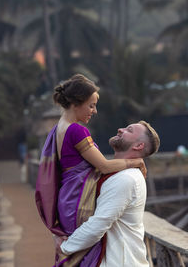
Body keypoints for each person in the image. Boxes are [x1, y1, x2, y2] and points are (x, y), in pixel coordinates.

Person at [35, 74, 146, 267]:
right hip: (78, 202)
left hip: (67, 201)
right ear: (76, 103)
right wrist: (135, 162)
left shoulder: (57, 129)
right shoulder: (76, 130)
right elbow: (103, 165)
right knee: (87, 256)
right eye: (91, 105)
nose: (94, 111)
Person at [58, 121, 160, 267]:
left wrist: (65, 248)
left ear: (138, 146)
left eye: (129, 130)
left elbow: (99, 223)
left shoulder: (126, 178)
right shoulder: (117, 173)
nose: (120, 129)